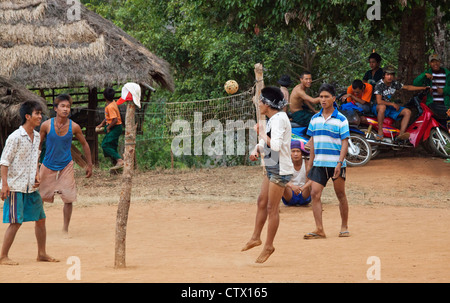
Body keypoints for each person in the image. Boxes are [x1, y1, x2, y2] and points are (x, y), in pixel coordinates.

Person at [1, 101, 59, 265]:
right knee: (15, 222)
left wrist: (36, 175)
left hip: (30, 187)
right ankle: (3, 256)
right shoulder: (15, 137)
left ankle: (42, 253)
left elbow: (35, 159)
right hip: (15, 186)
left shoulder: (37, 136)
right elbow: (4, 162)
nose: (40, 116)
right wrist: (4, 185)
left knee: (40, 219)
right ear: (27, 116)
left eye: (41, 113)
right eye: (37, 114)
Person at [241, 86, 293, 263]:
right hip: (272, 165)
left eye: (261, 101)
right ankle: (256, 237)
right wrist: (256, 148)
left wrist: (261, 133)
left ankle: (269, 245)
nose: (259, 104)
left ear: (268, 104)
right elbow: (268, 142)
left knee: (272, 208)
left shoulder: (278, 120)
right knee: (262, 202)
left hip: (280, 168)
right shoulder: (274, 118)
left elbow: (276, 146)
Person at [39, 94, 93, 235]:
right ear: (55, 108)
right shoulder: (46, 125)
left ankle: (65, 229)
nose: (66, 109)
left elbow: (85, 144)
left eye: (68, 107)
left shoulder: (74, 127)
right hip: (47, 164)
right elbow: (38, 145)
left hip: (66, 166)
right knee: (40, 197)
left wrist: (89, 164)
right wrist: (35, 164)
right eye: (62, 106)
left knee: (68, 198)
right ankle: (40, 227)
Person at [304, 83, 350, 239]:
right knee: (315, 194)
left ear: (333, 98)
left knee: (340, 194)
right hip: (319, 163)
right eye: (321, 97)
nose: (323, 100)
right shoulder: (314, 119)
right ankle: (319, 229)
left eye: (326, 97)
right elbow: (313, 143)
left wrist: (339, 162)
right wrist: (310, 165)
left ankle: (344, 226)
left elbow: (345, 142)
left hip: (336, 164)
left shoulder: (341, 120)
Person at [372, 66, 429, 141]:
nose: (390, 77)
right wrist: (392, 104)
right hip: (378, 107)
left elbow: (408, 87)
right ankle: (380, 131)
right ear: (384, 75)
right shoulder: (379, 84)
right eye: (388, 75)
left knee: (407, 112)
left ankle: (401, 135)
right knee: (382, 107)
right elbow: (379, 101)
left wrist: (423, 88)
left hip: (388, 107)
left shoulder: (394, 83)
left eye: (392, 75)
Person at [413, 53, 450, 122]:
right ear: (429, 63)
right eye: (432, 62)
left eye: (437, 61)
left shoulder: (447, 74)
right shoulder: (427, 73)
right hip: (432, 105)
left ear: (440, 61)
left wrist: (444, 91)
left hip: (445, 105)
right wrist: (424, 75)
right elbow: (415, 83)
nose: (435, 63)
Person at [96, 87, 124, 169]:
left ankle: (119, 160)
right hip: (115, 127)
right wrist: (101, 124)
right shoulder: (112, 104)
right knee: (112, 145)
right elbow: (108, 117)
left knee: (105, 145)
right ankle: (116, 164)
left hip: (115, 127)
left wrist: (108, 127)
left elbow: (115, 120)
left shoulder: (110, 107)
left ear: (104, 96)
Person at [281, 140, 312, 206]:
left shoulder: (307, 164)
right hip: (290, 194)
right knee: (281, 182)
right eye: (293, 151)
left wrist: (303, 188)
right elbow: (281, 178)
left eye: (298, 151)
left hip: (305, 193)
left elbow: (312, 180)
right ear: (290, 153)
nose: (295, 154)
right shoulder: (286, 164)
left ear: (302, 153)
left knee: (311, 180)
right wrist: (292, 186)